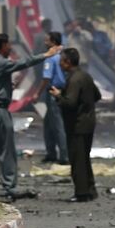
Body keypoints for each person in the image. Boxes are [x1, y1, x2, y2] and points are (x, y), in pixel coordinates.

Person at [0, 33, 58, 201]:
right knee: (7, 149)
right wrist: (46, 55)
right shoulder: (0, 62)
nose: (10, 48)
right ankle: (10, 187)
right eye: (8, 45)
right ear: (3, 46)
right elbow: (23, 63)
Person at [51, 48, 100, 202]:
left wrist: (58, 96)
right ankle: (90, 190)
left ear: (68, 62)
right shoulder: (85, 76)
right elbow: (97, 95)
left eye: (61, 61)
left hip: (77, 125)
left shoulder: (74, 79)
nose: (60, 64)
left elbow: (70, 103)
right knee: (84, 158)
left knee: (77, 159)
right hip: (88, 122)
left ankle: (82, 193)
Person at [40, 31, 69, 165]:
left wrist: (37, 93)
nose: (45, 43)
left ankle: (64, 155)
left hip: (53, 92)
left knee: (58, 125)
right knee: (48, 124)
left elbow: (46, 78)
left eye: (47, 40)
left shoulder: (50, 59)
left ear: (53, 42)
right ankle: (51, 152)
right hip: (63, 91)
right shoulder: (64, 56)